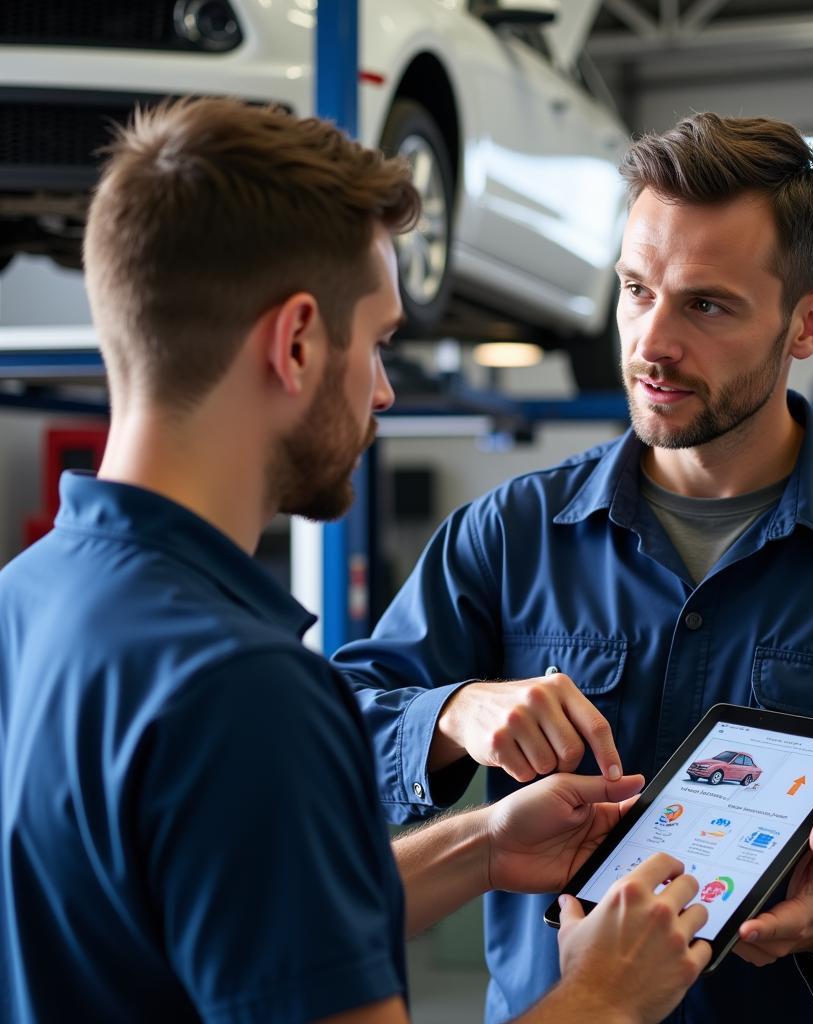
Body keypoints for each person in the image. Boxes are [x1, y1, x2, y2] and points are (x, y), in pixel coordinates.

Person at [0, 98, 713, 1024]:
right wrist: (606, 998)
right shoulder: (242, 686)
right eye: (376, 342)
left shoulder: (27, 598)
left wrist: (485, 845)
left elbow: (225, 912)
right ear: (295, 342)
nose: (382, 391)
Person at [335, 112, 813, 1024]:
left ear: (807, 323)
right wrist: (454, 711)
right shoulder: (506, 538)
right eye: (634, 289)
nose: (650, 343)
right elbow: (334, 738)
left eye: (705, 305)